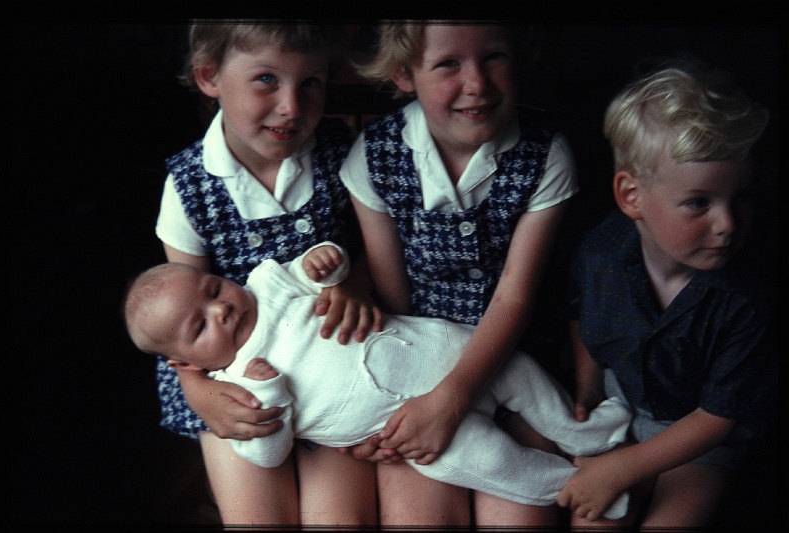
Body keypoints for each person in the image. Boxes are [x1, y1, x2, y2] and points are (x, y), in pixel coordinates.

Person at [124, 242, 632, 519]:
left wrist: (327, 261)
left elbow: (321, 270)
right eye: (200, 327)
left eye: (214, 289)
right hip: (408, 431)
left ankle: (589, 433)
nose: (220, 309)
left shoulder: (266, 282)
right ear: (184, 364)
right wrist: (270, 393)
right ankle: (574, 487)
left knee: (519, 373)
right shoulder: (237, 389)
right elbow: (267, 453)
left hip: (443, 353)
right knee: (490, 464)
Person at [338, 23, 579, 527]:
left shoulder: (545, 154)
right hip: (417, 369)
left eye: (494, 57)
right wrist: (395, 410)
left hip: (516, 363)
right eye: (448, 64)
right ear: (404, 73)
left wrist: (452, 402)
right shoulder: (374, 156)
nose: (477, 83)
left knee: (519, 519)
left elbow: (514, 298)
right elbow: (394, 301)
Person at [153, 22, 382, 526]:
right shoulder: (189, 185)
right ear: (210, 77)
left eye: (311, 83)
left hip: (333, 366)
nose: (292, 107)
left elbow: (380, 247)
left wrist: (357, 280)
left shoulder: (342, 152)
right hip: (233, 378)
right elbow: (182, 315)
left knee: (339, 521)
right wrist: (199, 391)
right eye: (266, 80)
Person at [558, 59, 776, 529]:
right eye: (699, 203)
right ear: (631, 196)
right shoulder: (601, 254)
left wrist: (623, 468)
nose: (728, 224)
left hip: (702, 437)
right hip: (623, 405)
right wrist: (588, 387)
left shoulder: (745, 300)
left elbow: (718, 418)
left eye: (742, 198)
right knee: (592, 520)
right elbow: (580, 313)